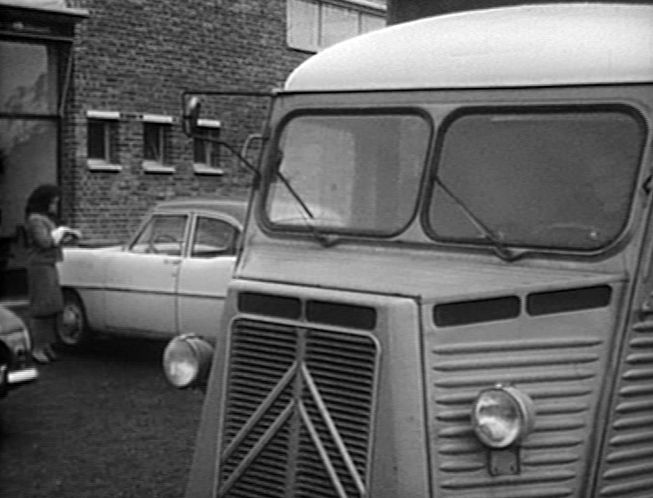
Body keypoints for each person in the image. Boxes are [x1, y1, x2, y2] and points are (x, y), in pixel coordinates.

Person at [24, 184, 81, 364]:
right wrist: (60, 233)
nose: (55, 206)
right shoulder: (35, 220)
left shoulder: (46, 219)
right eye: (53, 202)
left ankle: (47, 344)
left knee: (53, 305)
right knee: (42, 306)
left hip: (49, 264)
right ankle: (37, 347)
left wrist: (66, 236)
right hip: (40, 266)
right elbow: (44, 242)